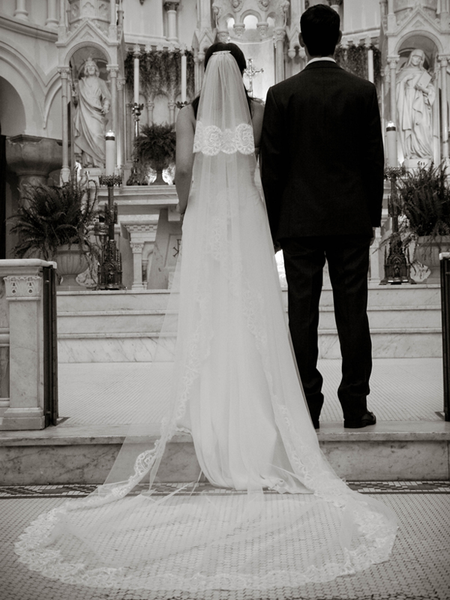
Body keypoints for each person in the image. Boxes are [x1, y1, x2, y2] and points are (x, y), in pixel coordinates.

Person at [15, 42, 397, 593]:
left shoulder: (188, 112)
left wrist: (192, 207)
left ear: (201, 72)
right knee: (259, 314)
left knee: (209, 313)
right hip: (248, 217)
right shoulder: (260, 109)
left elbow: (187, 168)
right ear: (242, 72)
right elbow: (270, 166)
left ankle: (208, 404)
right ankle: (278, 402)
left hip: (210, 222)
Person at [261, 4, 383, 430]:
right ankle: (355, 404)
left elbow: (271, 167)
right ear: (340, 38)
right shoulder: (362, 91)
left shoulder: (282, 95)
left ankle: (306, 405)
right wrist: (371, 217)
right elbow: (374, 161)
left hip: (298, 222)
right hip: (350, 220)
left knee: (302, 314)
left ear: (300, 39)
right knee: (354, 312)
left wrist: (274, 227)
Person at [396, 48, 435, 161]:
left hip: (421, 104)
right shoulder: (403, 72)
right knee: (410, 127)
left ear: (422, 60)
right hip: (407, 102)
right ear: (411, 57)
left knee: (422, 125)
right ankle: (411, 153)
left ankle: (424, 153)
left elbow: (432, 92)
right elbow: (397, 92)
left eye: (420, 58)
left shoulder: (424, 74)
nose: (417, 59)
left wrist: (423, 88)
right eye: (415, 56)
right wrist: (404, 80)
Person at [73, 57, 111, 168]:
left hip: (96, 113)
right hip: (84, 113)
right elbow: (76, 100)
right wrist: (74, 94)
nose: (90, 68)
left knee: (97, 135)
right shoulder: (81, 83)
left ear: (96, 69)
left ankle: (99, 162)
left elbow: (107, 97)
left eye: (92, 66)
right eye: (88, 66)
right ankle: (88, 163)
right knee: (85, 136)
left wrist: (106, 105)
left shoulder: (101, 82)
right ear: (85, 69)